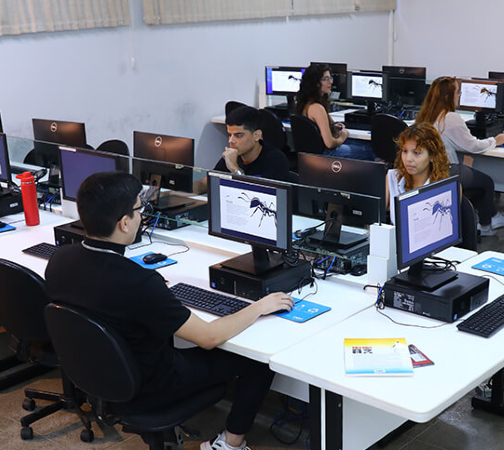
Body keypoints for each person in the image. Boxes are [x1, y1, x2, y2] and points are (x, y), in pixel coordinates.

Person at [45, 172, 296, 450]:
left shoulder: (59, 259)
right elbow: (210, 337)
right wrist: (260, 306)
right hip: (152, 387)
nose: (142, 216)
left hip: (99, 376)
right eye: (139, 209)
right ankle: (232, 443)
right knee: (257, 360)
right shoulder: (139, 283)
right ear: (125, 223)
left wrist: (156, 295)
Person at [415, 76, 504, 236]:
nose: (459, 96)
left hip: (429, 172)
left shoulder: (424, 115)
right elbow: (473, 146)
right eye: (458, 93)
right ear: (448, 97)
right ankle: (487, 224)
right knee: (487, 182)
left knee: (477, 181)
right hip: (447, 171)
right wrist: (495, 141)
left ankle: (488, 217)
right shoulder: (450, 118)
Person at [296, 63, 375, 161]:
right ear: (316, 83)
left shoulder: (306, 103)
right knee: (368, 150)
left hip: (315, 154)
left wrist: (331, 127)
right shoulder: (317, 108)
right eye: (326, 79)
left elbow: (315, 131)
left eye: (330, 78)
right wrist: (344, 134)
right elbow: (330, 143)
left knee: (361, 145)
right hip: (326, 154)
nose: (331, 82)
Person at [385, 123, 451, 224]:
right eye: (405, 151)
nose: (408, 159)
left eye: (416, 153)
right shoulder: (393, 178)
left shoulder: (446, 187)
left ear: (432, 156)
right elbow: (374, 216)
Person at [214, 105, 289, 181]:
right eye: (230, 135)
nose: (230, 140)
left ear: (257, 135)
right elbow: (208, 181)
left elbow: (257, 192)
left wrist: (234, 169)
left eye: (238, 136)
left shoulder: (275, 159)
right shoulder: (234, 154)